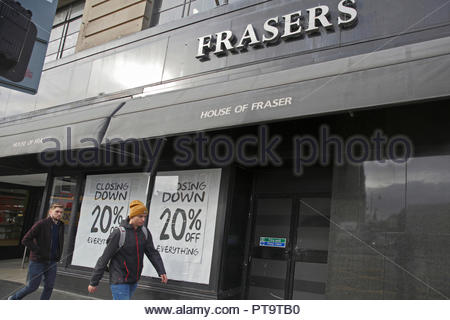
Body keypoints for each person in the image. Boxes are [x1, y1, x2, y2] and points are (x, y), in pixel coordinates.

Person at [88, 200, 168, 299]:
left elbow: (152, 252)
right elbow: (104, 258)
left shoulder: (144, 232)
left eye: (145, 217)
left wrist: (161, 271)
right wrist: (94, 282)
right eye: (140, 216)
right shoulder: (119, 233)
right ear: (132, 216)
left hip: (133, 279)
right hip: (119, 279)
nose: (143, 220)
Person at [8, 203, 65, 300]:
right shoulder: (41, 224)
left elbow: (58, 242)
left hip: (52, 262)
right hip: (38, 261)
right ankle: (13, 298)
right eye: (57, 211)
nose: (59, 214)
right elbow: (25, 240)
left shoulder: (61, 225)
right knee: (32, 287)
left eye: (61, 212)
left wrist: (58, 255)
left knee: (49, 287)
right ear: (50, 212)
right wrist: (38, 251)